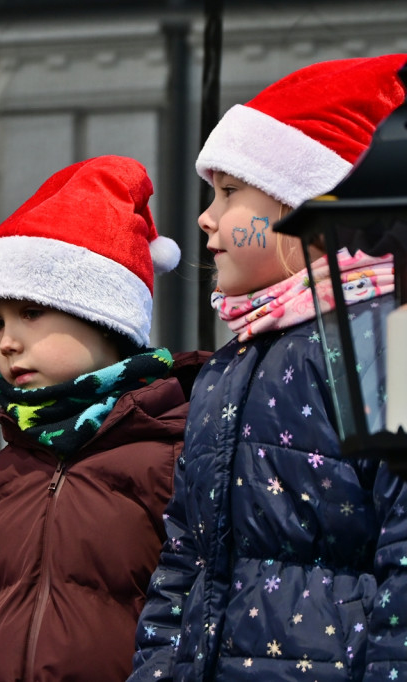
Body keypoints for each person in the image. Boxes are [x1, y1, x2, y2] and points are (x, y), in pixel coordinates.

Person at [129, 54, 407, 681]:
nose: (206, 216)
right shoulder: (228, 369)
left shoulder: (389, 341)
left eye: (229, 193)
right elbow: (183, 563)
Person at [0, 155, 208, 681]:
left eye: (32, 313)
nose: (8, 342)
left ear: (103, 316)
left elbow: (202, 616)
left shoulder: (180, 455)